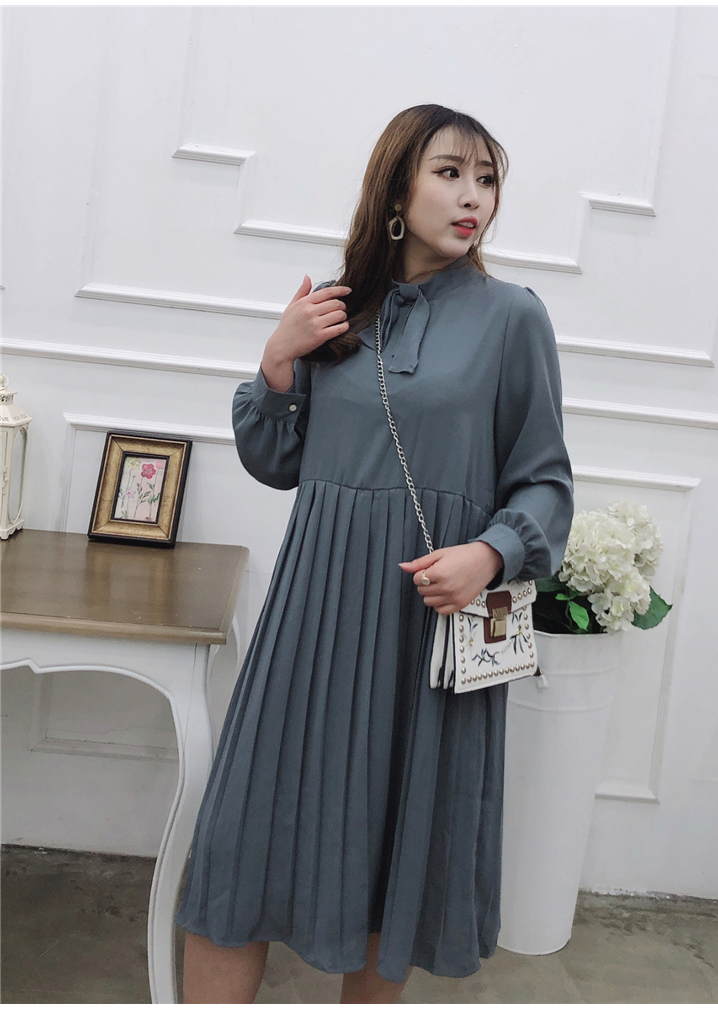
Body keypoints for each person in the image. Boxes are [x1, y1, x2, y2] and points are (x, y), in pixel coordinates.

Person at [175, 103, 575, 1003]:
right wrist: (278, 362)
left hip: (424, 630)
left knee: (390, 858)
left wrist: (491, 555)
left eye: (487, 180)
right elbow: (277, 462)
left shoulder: (513, 319)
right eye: (450, 173)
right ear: (397, 188)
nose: (473, 198)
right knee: (241, 846)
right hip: (312, 618)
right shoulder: (337, 308)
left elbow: (546, 483)